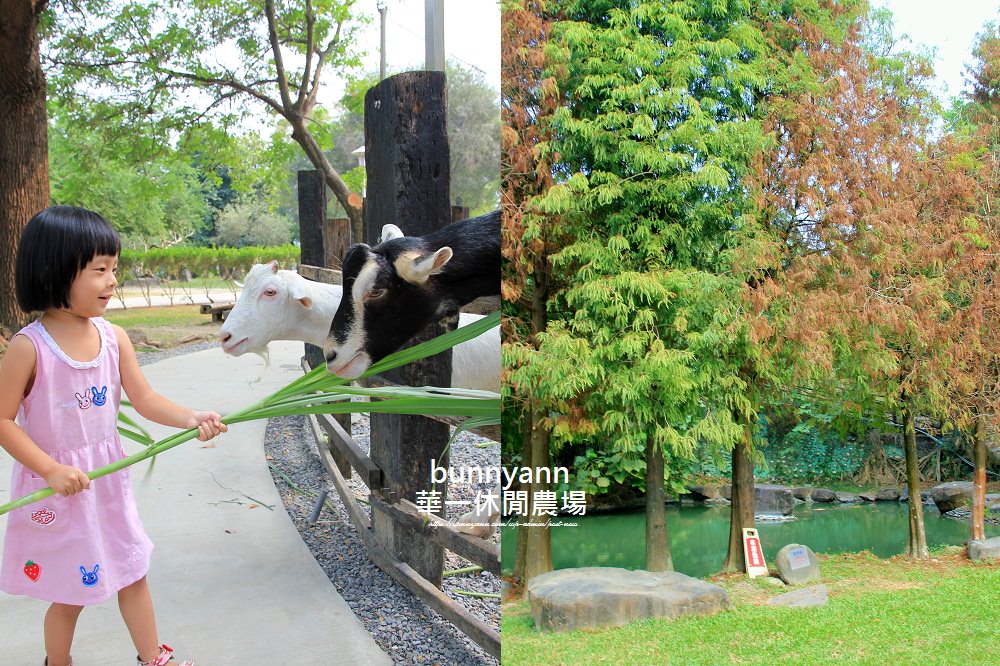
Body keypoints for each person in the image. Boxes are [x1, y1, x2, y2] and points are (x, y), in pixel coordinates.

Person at [0, 206, 228, 666]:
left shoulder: (114, 337)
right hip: (59, 488)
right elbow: (3, 421)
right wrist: (50, 469)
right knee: (71, 592)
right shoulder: (30, 347)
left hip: (106, 484)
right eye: (99, 270)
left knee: (132, 570)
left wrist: (190, 417)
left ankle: (151, 658)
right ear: (54, 272)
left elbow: (144, 398)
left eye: (115, 270)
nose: (111, 281)